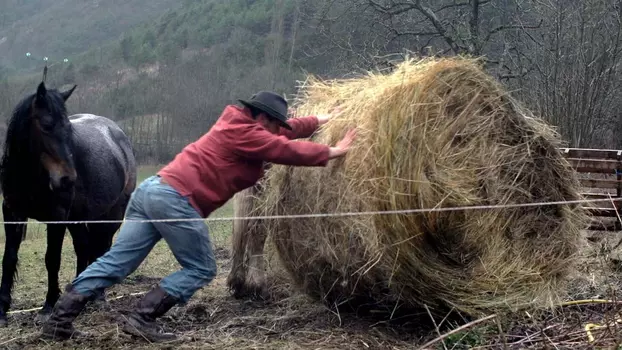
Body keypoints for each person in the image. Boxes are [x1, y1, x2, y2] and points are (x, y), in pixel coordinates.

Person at [40, 91, 356, 342]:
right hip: (175, 199)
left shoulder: (242, 125)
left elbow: (287, 133)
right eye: (276, 124)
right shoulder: (246, 133)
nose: (279, 131)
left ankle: (60, 320)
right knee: (203, 268)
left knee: (117, 262)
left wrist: (324, 118)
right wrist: (331, 152)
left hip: (153, 191)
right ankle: (141, 315)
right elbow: (284, 149)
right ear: (260, 117)